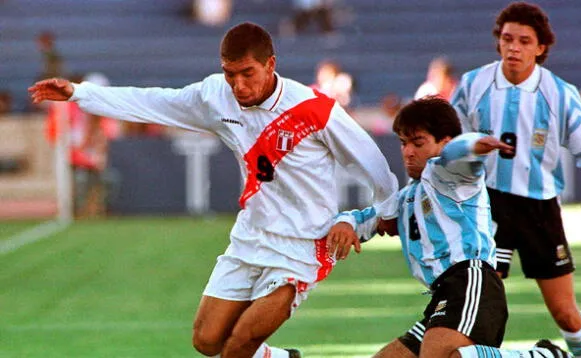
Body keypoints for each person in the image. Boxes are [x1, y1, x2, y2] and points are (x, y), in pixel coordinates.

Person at [29, 22, 399, 358]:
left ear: (271, 64)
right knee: (207, 341)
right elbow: (156, 102)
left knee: (239, 346)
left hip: (303, 245)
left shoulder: (315, 109)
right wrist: (80, 93)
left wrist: (384, 211)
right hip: (251, 237)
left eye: (247, 73)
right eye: (230, 74)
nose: (238, 84)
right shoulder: (216, 97)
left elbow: (371, 161)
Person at [327, 96, 571, 358]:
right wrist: (346, 222)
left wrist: (474, 144)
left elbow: (459, 152)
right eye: (403, 143)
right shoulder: (407, 197)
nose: (408, 151)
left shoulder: (448, 174)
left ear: (444, 142)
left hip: (470, 280)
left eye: (418, 143)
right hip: (443, 294)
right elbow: (370, 217)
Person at [450, 3, 581, 357]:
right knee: (481, 306)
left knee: (565, 313)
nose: (514, 47)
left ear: (540, 48)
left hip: (540, 209)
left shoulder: (559, 93)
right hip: (488, 206)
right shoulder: (472, 84)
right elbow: (448, 144)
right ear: (498, 42)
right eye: (508, 39)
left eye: (525, 41)